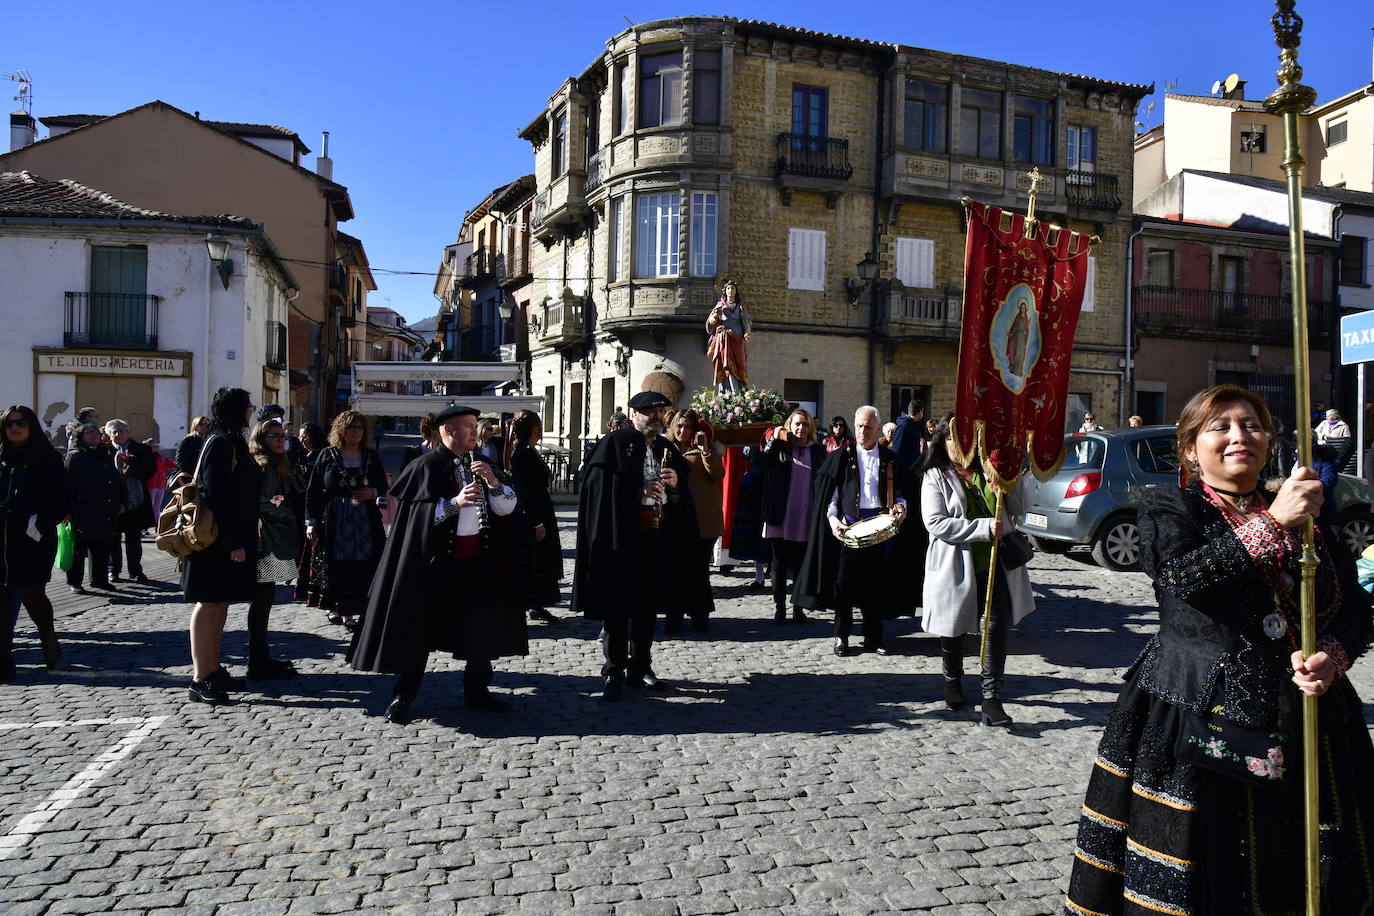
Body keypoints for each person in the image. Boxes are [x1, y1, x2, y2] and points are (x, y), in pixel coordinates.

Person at [1064, 385, 1374, 914]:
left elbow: (1355, 608)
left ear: (1270, 440)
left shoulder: (1309, 514)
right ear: (1190, 447)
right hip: (1197, 712)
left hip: (1308, 713)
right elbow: (1184, 578)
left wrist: (1331, 654)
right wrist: (1272, 521)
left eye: (1251, 425)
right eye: (1220, 427)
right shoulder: (1168, 505)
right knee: (1213, 870)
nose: (1238, 437)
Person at [350, 405, 529, 725]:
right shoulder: (425, 466)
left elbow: (506, 508)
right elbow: (416, 521)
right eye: (468, 427)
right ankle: (404, 695)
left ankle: (477, 691)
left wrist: (494, 483)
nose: (475, 431)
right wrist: (455, 503)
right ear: (447, 431)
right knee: (420, 632)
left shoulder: (484, 464)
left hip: (478, 563)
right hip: (437, 566)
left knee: (479, 630)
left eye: (475, 426)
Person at [572, 390, 702, 700]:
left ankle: (641, 667)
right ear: (635, 416)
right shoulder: (615, 443)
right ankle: (614, 671)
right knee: (617, 608)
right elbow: (595, 486)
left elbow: (681, 491)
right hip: (620, 539)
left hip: (655, 538)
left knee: (647, 607)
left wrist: (674, 483)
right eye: (649, 413)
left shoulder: (663, 447)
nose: (655, 419)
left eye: (660, 414)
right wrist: (636, 486)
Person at [920, 414, 1035, 726]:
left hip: (997, 562)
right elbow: (935, 522)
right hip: (955, 563)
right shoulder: (935, 476)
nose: (959, 446)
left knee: (996, 627)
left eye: (964, 439)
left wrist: (1010, 483)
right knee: (954, 627)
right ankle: (953, 680)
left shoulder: (987, 468)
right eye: (952, 440)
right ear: (942, 443)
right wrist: (984, 527)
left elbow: (1019, 510)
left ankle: (992, 697)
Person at [794, 406, 917, 656]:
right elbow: (831, 495)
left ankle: (874, 637)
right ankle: (841, 636)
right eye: (859, 426)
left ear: (878, 428)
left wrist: (901, 507)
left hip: (881, 531)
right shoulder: (841, 456)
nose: (862, 431)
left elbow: (902, 491)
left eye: (868, 427)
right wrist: (832, 521)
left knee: (875, 585)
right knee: (844, 585)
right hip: (849, 528)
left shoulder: (890, 458)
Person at [184, 387, 262, 704]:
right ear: (237, 410)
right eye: (248, 406)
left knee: (220, 604)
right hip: (216, 540)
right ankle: (200, 677)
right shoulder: (220, 442)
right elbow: (216, 494)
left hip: (227, 537)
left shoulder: (228, 439)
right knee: (209, 604)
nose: (251, 411)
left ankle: (213, 669)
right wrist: (232, 541)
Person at [302, 410, 388, 628]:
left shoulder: (370, 455)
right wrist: (310, 522)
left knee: (362, 564)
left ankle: (354, 610)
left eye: (359, 427)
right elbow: (312, 490)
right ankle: (336, 608)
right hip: (334, 520)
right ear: (341, 429)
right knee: (336, 564)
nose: (356, 432)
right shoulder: (327, 455)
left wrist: (372, 493)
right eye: (351, 427)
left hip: (364, 520)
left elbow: (383, 485)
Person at [0, 405, 68, 678]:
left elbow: (61, 500)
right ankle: (4, 661)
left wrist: (36, 524)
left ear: (31, 426)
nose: (14, 427)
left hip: (32, 538)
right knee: (3, 600)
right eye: (9, 423)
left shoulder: (48, 458)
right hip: (2, 538)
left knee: (32, 595)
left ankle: (47, 633)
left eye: (21, 422)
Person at [757, 409, 827, 625]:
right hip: (780, 514)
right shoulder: (780, 448)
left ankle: (798, 607)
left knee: (800, 565)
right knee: (779, 563)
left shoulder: (817, 451)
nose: (801, 428)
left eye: (805, 425)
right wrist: (775, 438)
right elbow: (761, 464)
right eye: (797, 424)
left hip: (805, 517)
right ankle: (780, 607)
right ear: (789, 426)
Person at [245, 421, 300, 680]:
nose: (280, 440)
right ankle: (257, 659)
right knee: (262, 599)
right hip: (265, 542)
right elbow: (262, 502)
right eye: (274, 436)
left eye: (283, 436)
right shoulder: (264, 464)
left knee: (265, 599)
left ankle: (260, 656)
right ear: (261, 437)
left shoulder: (277, 462)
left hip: (272, 537)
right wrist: (286, 512)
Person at [666, 408, 723, 633]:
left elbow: (717, 474)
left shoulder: (702, 449)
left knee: (698, 570)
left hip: (701, 519)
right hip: (673, 518)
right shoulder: (665, 448)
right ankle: (674, 616)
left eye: (687, 426)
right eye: (679, 426)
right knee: (674, 569)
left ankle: (700, 614)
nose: (682, 430)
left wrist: (706, 450)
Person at [508, 411, 563, 625]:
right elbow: (525, 491)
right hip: (534, 513)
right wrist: (536, 521)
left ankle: (537, 605)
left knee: (540, 560)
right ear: (534, 429)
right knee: (533, 562)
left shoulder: (529, 451)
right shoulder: (523, 454)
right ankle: (531, 604)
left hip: (542, 510)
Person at [64, 422, 122, 594]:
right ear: (80, 437)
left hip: (105, 507)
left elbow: (115, 480)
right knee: (78, 549)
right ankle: (75, 582)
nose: (93, 435)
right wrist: (67, 510)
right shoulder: (75, 456)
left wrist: (120, 501)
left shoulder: (104, 454)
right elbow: (67, 485)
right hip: (82, 508)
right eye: (88, 433)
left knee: (102, 546)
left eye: (95, 432)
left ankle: (100, 580)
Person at [105, 420, 156, 585]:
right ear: (109, 434)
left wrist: (130, 462)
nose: (119, 434)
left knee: (134, 538)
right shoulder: (104, 450)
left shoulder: (141, 449)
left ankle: (135, 570)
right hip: (112, 501)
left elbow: (150, 471)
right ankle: (113, 570)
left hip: (135, 501)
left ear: (128, 432)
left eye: (122, 431)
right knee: (113, 539)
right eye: (115, 432)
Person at [705, 279, 752, 393]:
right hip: (724, 338)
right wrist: (715, 317)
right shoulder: (720, 305)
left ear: (736, 291)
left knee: (740, 362)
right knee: (725, 362)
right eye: (728, 288)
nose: (731, 290)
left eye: (733, 288)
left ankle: (740, 388)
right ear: (725, 291)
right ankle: (727, 389)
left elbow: (746, 321)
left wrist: (747, 332)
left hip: (737, 338)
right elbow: (710, 322)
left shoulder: (740, 306)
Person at [890, 399, 928, 474]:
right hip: (905, 472)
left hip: (912, 469)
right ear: (920, 412)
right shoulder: (904, 426)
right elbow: (897, 450)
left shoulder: (913, 424)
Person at [145, 438, 176, 517]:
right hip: (150, 486)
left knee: (157, 507)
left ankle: (157, 525)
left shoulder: (161, 458)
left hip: (160, 486)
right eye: (152, 447)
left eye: (156, 446)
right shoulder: (145, 458)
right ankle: (145, 526)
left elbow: (172, 464)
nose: (155, 448)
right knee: (148, 507)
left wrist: (181, 463)